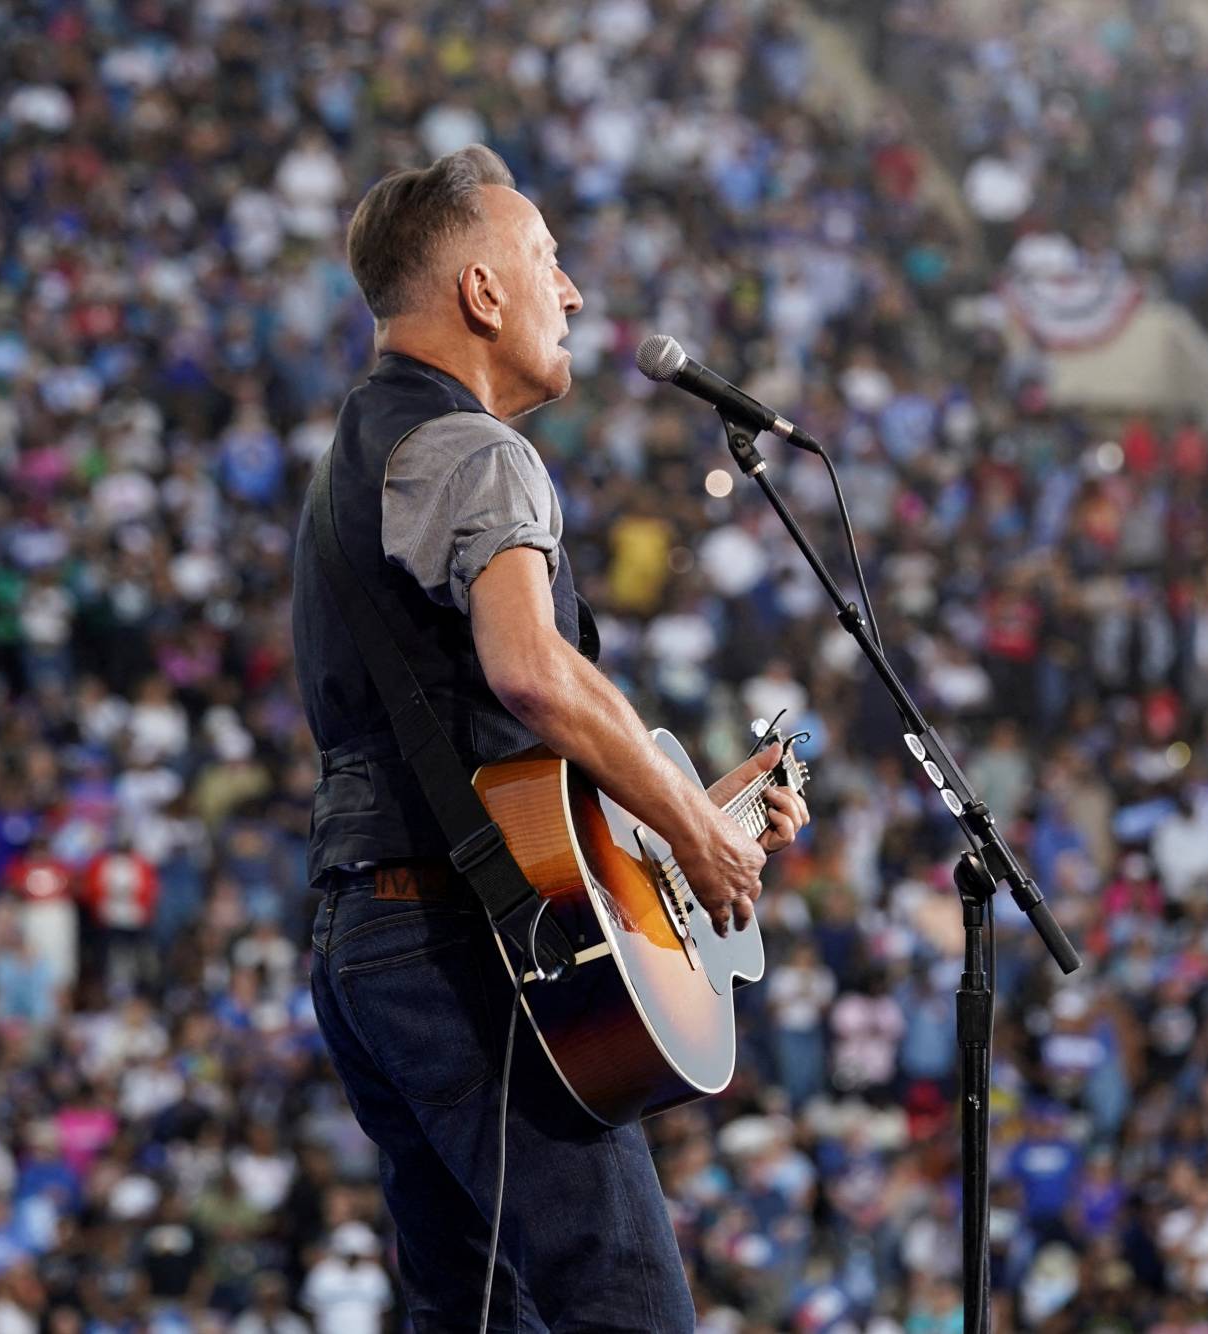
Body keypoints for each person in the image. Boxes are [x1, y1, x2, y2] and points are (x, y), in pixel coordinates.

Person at [289, 145, 809, 1331]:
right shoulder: (479, 453)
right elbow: (529, 673)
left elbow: (505, 776)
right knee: (624, 1310)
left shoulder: (351, 468)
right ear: (481, 291)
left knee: (479, 1313)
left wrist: (707, 810)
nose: (569, 291)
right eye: (547, 259)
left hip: (372, 934)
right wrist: (689, 824)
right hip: (462, 947)